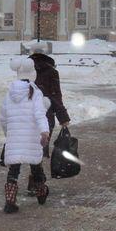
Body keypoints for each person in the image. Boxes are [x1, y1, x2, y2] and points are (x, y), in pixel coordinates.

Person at [1, 57, 51, 213]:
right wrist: (44, 131)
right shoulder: (35, 92)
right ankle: (41, 192)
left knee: (14, 169)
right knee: (36, 166)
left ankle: (10, 200)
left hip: (14, 136)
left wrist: (8, 133)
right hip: (31, 136)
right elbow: (39, 114)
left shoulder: (9, 93)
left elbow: (3, 117)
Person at [28, 47, 71, 195]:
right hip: (45, 116)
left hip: (27, 114)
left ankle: (29, 180)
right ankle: (37, 181)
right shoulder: (51, 72)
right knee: (39, 149)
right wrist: (63, 118)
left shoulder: (26, 70)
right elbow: (55, 96)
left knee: (30, 148)